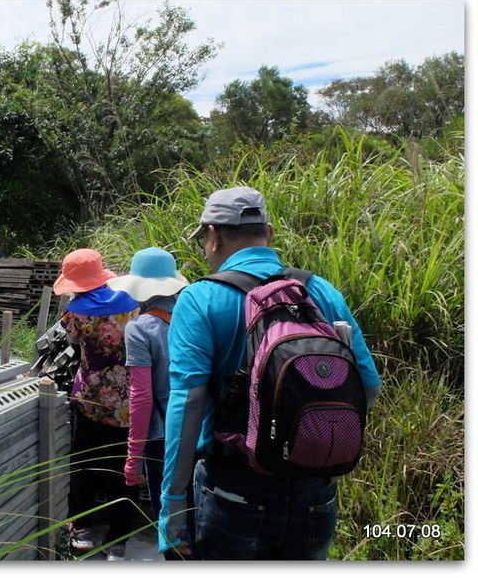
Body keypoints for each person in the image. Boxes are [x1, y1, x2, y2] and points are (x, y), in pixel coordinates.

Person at [159, 186, 382, 560]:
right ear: (270, 233)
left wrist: (173, 502)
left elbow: (188, 403)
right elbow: (369, 386)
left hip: (233, 491)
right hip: (314, 493)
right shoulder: (321, 291)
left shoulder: (199, 299)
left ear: (212, 236)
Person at [54, 248, 141, 561]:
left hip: (91, 398)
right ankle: (119, 537)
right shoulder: (132, 302)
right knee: (125, 468)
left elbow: (74, 345)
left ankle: (83, 529)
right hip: (128, 401)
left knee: (85, 464)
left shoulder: (76, 310)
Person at [107, 246, 193, 560]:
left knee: (172, 528)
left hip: (162, 440)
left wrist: (133, 458)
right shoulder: (193, 319)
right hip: (202, 432)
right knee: (199, 522)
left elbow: (141, 397)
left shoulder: (141, 328)